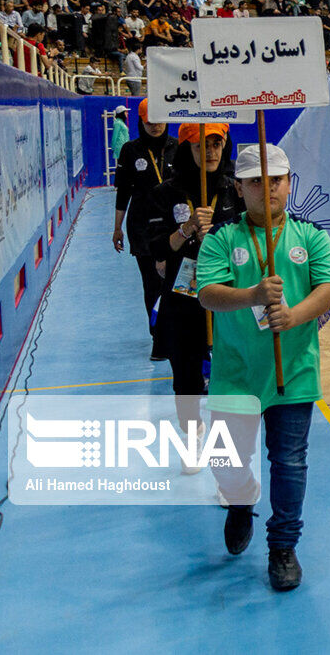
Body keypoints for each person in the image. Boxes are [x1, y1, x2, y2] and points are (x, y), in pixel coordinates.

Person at [197, 143, 330, 592]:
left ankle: (283, 547)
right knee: (227, 459)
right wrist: (253, 296)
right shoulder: (222, 239)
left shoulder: (310, 236)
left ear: (288, 183)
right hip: (236, 371)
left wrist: (296, 315)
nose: (268, 189)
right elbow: (206, 293)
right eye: (256, 181)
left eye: (275, 180)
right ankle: (240, 502)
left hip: (293, 370)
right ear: (240, 189)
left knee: (290, 462)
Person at [144, 123, 242, 443]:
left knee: (228, 381)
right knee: (185, 379)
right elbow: (157, 248)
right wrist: (186, 230)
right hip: (183, 302)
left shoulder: (234, 191)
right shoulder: (165, 194)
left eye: (217, 143)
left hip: (226, 302)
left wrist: (218, 236)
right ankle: (191, 434)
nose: (211, 151)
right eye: (202, 145)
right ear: (188, 148)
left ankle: (225, 453)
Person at [112, 98, 176, 360]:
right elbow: (123, 192)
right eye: (149, 121)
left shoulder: (178, 147)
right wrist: (117, 228)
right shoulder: (130, 150)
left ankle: (178, 334)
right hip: (142, 228)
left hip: (174, 226)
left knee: (177, 283)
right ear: (140, 121)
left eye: (159, 119)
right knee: (152, 285)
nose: (155, 125)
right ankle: (158, 339)